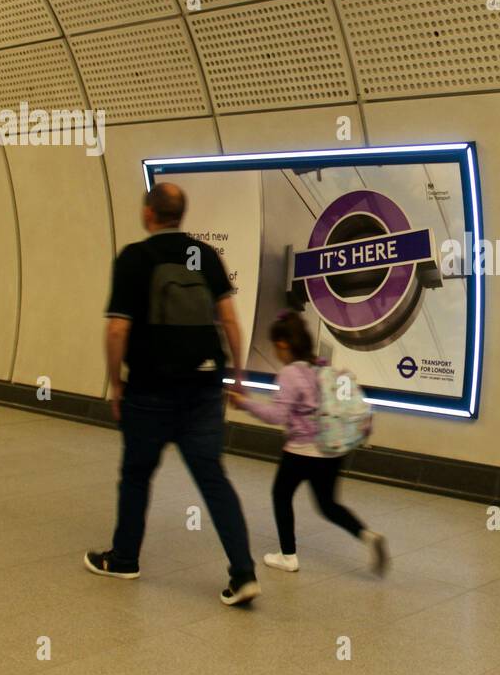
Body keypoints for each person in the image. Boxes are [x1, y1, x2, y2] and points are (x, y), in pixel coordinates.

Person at [85, 183, 260, 606]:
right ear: (181, 216)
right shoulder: (204, 256)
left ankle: (125, 559)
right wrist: (236, 376)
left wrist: (116, 383)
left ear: (149, 214)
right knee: (214, 481)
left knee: (136, 477)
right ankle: (244, 574)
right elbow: (230, 321)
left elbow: (117, 328)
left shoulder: (135, 258)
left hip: (149, 391)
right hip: (202, 390)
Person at [229, 310, 388, 576]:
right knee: (328, 504)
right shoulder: (320, 366)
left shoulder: (290, 374)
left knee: (281, 495)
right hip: (332, 450)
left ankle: (288, 555)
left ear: (282, 344)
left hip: (301, 451)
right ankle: (367, 535)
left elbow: (277, 415)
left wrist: (245, 403)